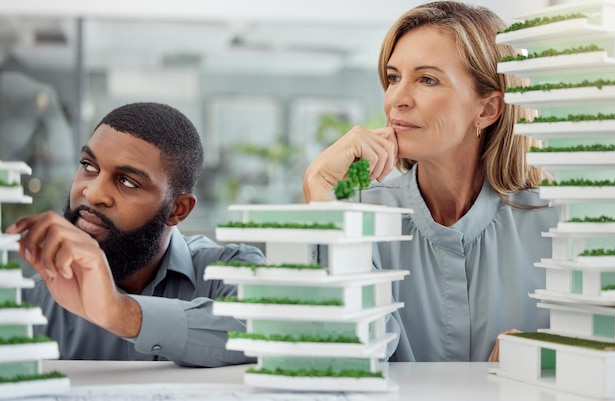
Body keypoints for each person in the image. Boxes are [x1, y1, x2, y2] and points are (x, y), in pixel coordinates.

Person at [302, 1, 559, 362]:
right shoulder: (358, 213)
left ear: (487, 109)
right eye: (393, 78)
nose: (396, 100)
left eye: (427, 79)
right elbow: (346, 355)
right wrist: (321, 191)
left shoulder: (558, 222)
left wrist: (556, 357)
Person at [6, 102, 265, 367]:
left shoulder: (228, 272)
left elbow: (268, 329)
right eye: (88, 165)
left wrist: (121, 313)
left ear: (178, 209)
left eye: (127, 182)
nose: (93, 193)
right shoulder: (32, 300)